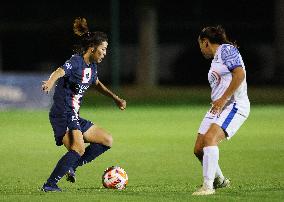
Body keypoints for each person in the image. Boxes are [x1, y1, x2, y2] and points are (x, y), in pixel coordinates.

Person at [41, 17, 126, 192]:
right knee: (78, 149)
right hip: (63, 114)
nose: (104, 53)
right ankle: (50, 185)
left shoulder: (92, 66)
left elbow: (96, 84)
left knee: (106, 140)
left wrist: (115, 98)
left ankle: (72, 166)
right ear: (92, 48)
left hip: (74, 115)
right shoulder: (76, 61)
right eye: (102, 49)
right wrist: (50, 82)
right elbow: (60, 71)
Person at [192, 25, 250, 195]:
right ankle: (221, 181)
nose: (200, 48)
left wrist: (223, 99)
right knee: (198, 149)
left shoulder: (226, 50)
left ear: (206, 42)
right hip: (218, 108)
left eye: (200, 44)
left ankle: (208, 186)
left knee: (210, 138)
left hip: (234, 105)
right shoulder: (217, 58)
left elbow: (239, 74)